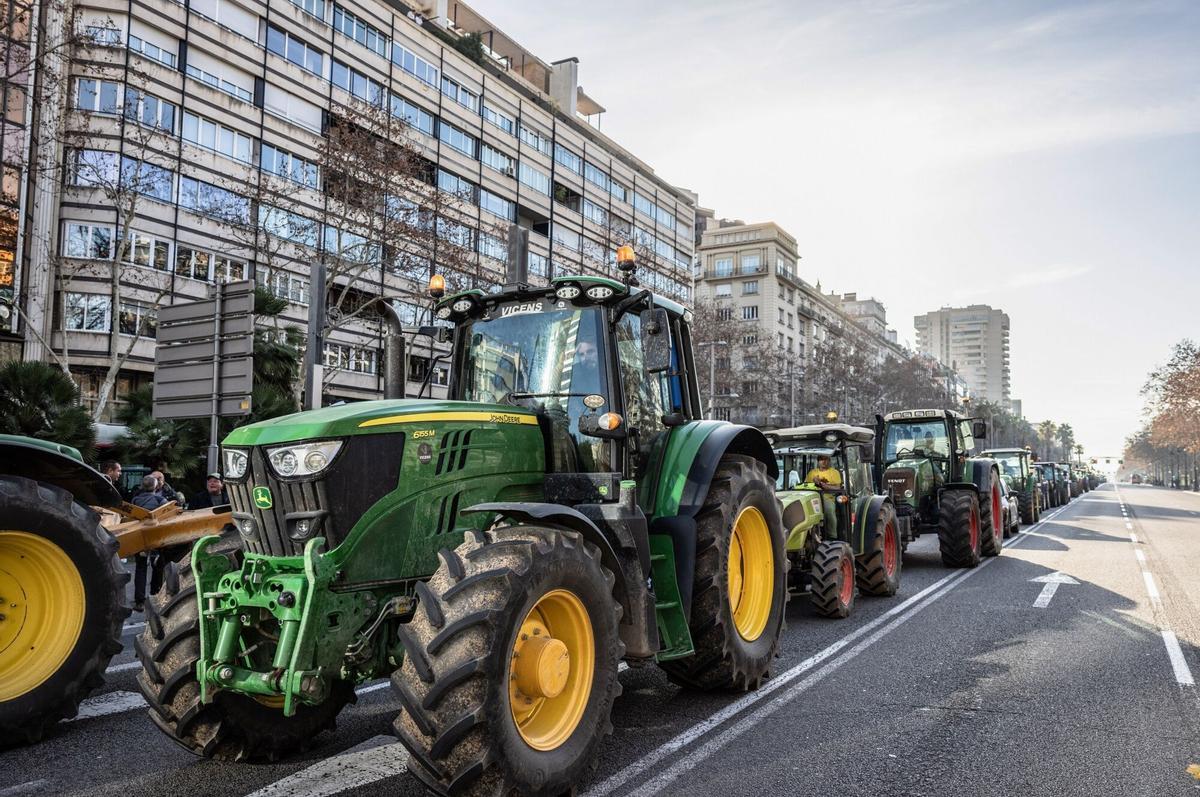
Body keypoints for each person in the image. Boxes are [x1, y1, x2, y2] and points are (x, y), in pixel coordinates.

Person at [131, 475, 167, 612]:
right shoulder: (160, 500)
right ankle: (155, 596)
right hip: (156, 539)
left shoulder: (135, 500)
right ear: (156, 486)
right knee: (157, 568)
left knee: (140, 568)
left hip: (140, 539)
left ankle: (139, 601)